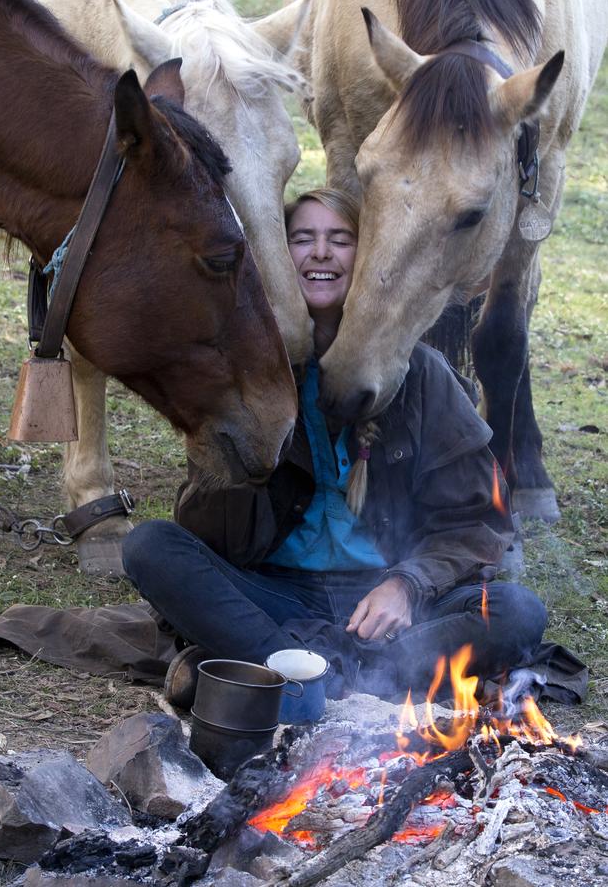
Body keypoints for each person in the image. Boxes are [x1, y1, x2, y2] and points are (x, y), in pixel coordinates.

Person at [122, 188, 547, 707]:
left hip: (386, 603)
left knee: (517, 611)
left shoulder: (419, 372)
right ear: (278, 261)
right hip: (276, 594)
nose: (320, 252)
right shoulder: (242, 374)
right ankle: (316, 677)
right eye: (302, 239)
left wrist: (407, 585)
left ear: (365, 259)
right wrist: (234, 426)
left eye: (339, 240)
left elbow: (476, 521)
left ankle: (297, 672)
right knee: (149, 547)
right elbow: (205, 536)